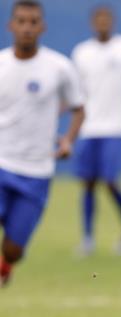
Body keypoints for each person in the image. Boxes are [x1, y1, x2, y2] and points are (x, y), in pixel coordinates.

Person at [0, 0, 85, 286]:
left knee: (13, 249)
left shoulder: (59, 67)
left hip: (36, 170)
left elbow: (78, 107)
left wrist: (68, 141)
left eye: (33, 21)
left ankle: (5, 265)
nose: (27, 27)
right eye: (21, 21)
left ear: (42, 26)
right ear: (11, 25)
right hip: (1, 163)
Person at [71, 4, 121, 256]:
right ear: (92, 22)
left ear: (113, 21)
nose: (103, 23)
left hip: (116, 126)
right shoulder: (81, 52)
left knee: (109, 180)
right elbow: (77, 93)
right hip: (88, 127)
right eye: (99, 19)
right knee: (87, 183)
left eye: (107, 18)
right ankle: (87, 238)